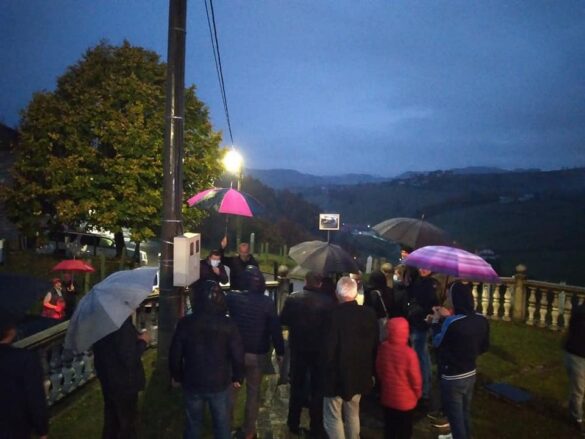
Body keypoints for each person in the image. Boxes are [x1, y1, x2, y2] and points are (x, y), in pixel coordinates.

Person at [170, 280, 245, 439]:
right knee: (222, 425)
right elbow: (237, 353)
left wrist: (177, 376)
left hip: (192, 381)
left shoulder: (185, 323)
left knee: (193, 424)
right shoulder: (228, 324)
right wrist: (238, 376)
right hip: (220, 382)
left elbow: (175, 353)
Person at [226, 266, 284, 439]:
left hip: (235, 353)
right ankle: (249, 431)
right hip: (257, 353)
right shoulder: (267, 303)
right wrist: (280, 351)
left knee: (230, 392)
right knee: (253, 393)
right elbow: (275, 329)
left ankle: (225, 428)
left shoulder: (232, 298)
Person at [280, 272, 336, 438]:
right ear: (320, 284)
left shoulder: (293, 298)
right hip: (319, 350)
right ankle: (316, 425)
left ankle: (293, 422)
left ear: (305, 281)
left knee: (296, 385)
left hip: (298, 347)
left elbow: (283, 320)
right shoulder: (328, 303)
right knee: (317, 388)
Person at [322, 276, 378, 439]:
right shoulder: (369, 314)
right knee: (353, 412)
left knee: (333, 416)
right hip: (360, 374)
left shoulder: (331, 315)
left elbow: (328, 350)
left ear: (337, 294)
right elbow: (375, 345)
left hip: (335, 377)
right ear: (355, 294)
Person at [431, 283, 489, 439]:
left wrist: (436, 321)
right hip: (470, 372)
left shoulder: (452, 323)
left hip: (452, 375)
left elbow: (437, 342)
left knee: (455, 417)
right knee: (465, 412)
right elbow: (484, 347)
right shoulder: (481, 319)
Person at [93, 316, 151, 439]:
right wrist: (143, 342)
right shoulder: (122, 324)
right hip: (124, 382)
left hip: (108, 380)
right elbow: (129, 358)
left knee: (112, 421)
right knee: (126, 424)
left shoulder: (100, 322)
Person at [0, 310, 49, 439]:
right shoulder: (25, 359)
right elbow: (35, 397)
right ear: (11, 331)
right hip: (16, 427)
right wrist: (42, 429)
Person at [376, 317, 422, 439]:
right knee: (404, 431)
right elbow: (415, 378)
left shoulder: (383, 348)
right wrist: (417, 393)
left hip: (388, 397)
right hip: (406, 401)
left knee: (390, 428)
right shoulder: (409, 354)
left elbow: (379, 369)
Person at [407, 268, 439, 403]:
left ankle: (424, 390)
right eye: (421, 267)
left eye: (426, 267)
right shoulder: (420, 281)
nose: (423, 270)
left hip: (420, 323)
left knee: (420, 357)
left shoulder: (429, 284)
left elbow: (429, 304)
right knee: (423, 355)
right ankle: (425, 385)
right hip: (418, 322)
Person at [564, 300, 585, 434]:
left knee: (577, 390)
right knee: (578, 390)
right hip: (578, 356)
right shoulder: (580, 313)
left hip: (573, 354)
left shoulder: (578, 310)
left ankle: (574, 413)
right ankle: (577, 419)